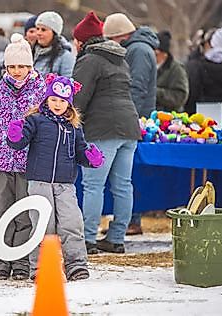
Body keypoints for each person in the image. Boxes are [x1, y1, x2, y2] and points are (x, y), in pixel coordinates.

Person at [7, 74, 104, 281]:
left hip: (65, 185)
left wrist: (90, 157)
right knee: (43, 226)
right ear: (46, 99)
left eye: (62, 101)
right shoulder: (36, 121)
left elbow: (80, 151)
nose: (57, 104)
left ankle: (76, 265)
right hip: (39, 184)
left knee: (72, 223)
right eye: (53, 99)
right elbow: (19, 143)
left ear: (69, 104)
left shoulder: (74, 127)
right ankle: (41, 268)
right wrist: (15, 135)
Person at [72, 12, 141, 254]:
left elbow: (77, 97)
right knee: (123, 185)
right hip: (129, 127)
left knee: (93, 185)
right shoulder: (119, 58)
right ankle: (116, 237)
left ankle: (88, 239)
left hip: (102, 129)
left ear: (81, 41)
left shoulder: (89, 60)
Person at [0, 33, 45, 280]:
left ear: (30, 66)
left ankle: (22, 263)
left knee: (25, 215)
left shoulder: (41, 92)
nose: (17, 71)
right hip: (2, 164)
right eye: (12, 66)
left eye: (22, 66)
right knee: (1, 213)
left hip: (29, 165)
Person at [103, 13, 159, 235]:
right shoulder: (140, 48)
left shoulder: (138, 50)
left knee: (126, 175)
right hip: (134, 116)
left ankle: (131, 221)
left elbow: (136, 88)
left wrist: (125, 114)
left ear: (120, 36)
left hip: (135, 117)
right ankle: (127, 221)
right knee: (125, 176)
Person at [155, 30, 189, 112]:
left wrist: (155, 92)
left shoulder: (177, 69)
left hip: (171, 118)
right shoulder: (149, 67)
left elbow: (180, 97)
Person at [33, 11, 74, 77]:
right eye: (37, 29)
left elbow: (68, 83)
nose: (38, 33)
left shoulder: (65, 56)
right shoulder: (32, 53)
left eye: (43, 30)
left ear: (54, 33)